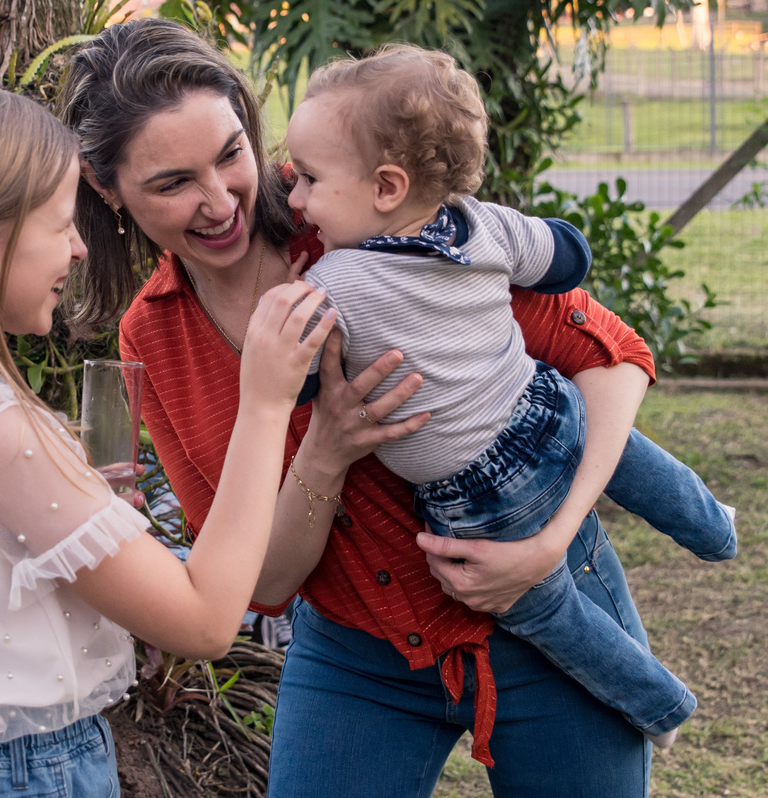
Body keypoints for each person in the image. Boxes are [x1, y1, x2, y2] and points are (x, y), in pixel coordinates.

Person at [61, 17, 713, 797]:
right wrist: (325, 449)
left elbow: (613, 357)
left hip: (544, 601)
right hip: (357, 655)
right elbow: (258, 584)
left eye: (231, 154)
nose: (220, 201)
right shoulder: (155, 336)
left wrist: (551, 542)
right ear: (107, 190)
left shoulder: (356, 200)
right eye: (171, 183)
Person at [0, 81, 334, 797]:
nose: (79, 248)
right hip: (18, 774)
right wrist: (265, 400)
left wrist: (84, 511)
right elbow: (203, 622)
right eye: (58, 224)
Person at [284, 43, 738, 749]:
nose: (295, 199)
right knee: (630, 458)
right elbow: (564, 256)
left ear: (385, 186)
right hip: (547, 408)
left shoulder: (335, 282)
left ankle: (658, 703)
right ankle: (714, 526)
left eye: (309, 179)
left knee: (550, 611)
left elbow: (297, 375)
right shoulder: (479, 222)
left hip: (481, 498)